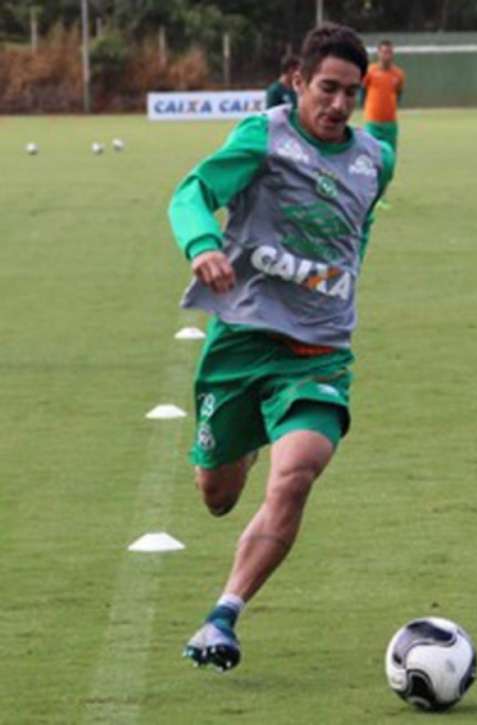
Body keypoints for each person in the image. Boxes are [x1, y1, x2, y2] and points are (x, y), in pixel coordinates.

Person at [168, 22, 394, 673]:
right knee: (217, 493)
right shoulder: (262, 136)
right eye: (327, 88)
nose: (339, 105)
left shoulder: (375, 158)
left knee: (294, 474)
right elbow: (192, 193)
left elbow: (358, 227)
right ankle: (247, 434)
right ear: (297, 81)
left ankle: (224, 615)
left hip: (318, 355)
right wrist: (202, 243)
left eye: (352, 93)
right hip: (240, 346)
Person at [362, 39, 405, 154]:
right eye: (384, 52)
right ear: (378, 53)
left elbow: (398, 93)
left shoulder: (398, 74)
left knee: (389, 155)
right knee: (370, 154)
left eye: (389, 52)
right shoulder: (370, 71)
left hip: (390, 123)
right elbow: (363, 91)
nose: (387, 55)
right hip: (372, 122)